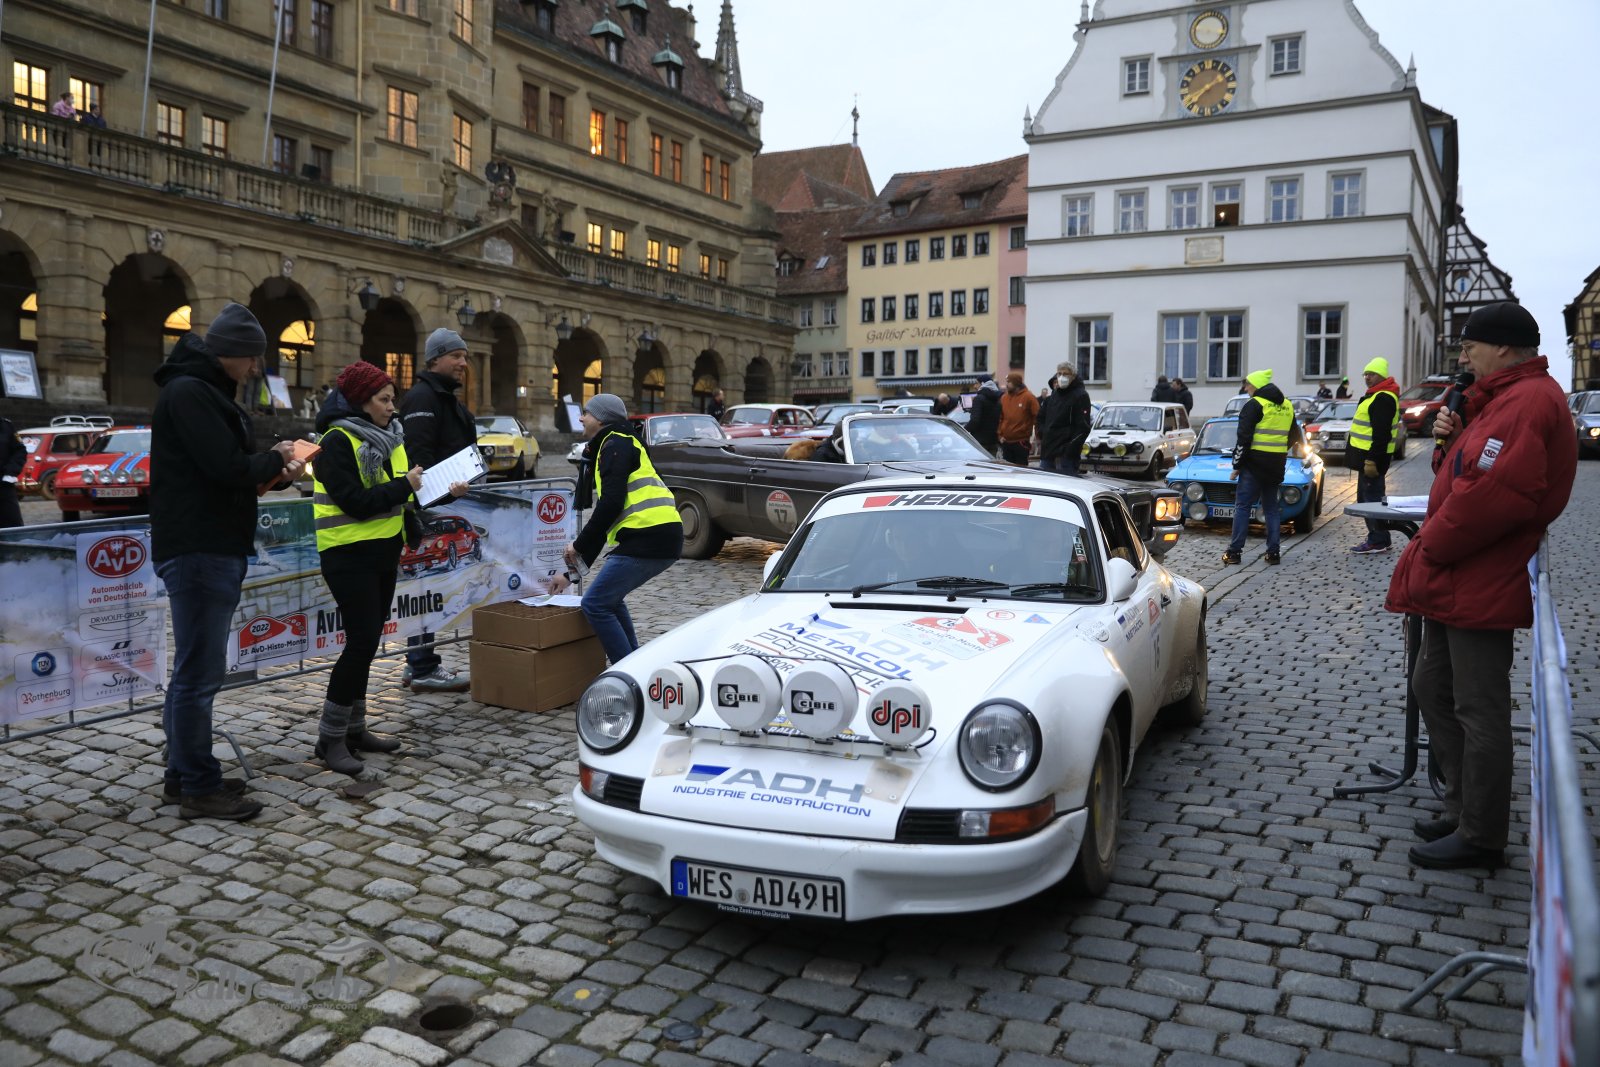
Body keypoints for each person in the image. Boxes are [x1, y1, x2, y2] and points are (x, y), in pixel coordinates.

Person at [1386, 302, 1576, 870]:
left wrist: (1431, 545)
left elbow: (1496, 497)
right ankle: (1461, 806)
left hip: (1479, 572)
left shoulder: (1528, 401)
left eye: (1470, 347)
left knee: (1477, 706)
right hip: (1463, 572)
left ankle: (1482, 834)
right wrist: (1454, 439)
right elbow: (1467, 474)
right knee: (1431, 685)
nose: (1463, 357)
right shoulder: (1502, 400)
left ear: (1502, 347)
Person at [150, 303, 305, 820]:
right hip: (200, 547)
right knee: (199, 674)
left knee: (194, 670)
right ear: (232, 353)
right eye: (252, 357)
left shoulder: (204, 391)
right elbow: (225, 467)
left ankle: (183, 776)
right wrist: (277, 459)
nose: (255, 367)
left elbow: (228, 470)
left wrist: (274, 468)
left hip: (209, 544)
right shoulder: (191, 392)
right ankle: (199, 786)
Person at [311, 361, 431, 776]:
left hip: (382, 552)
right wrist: (404, 486)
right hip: (347, 555)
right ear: (361, 401)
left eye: (392, 398)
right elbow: (356, 501)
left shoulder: (390, 436)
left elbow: (399, 496)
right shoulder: (336, 441)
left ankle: (355, 729)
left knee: (368, 641)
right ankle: (330, 738)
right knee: (360, 643)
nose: (392, 407)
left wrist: (421, 499)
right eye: (384, 399)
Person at [551, 394, 683, 665]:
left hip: (649, 537)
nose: (581, 417)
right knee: (610, 599)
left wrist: (577, 545)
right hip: (656, 536)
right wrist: (571, 574)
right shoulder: (620, 442)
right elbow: (606, 522)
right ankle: (634, 664)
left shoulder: (615, 444)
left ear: (601, 419)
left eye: (586, 413)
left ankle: (626, 674)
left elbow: (610, 505)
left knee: (595, 604)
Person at [397, 328, 475, 691]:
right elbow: (420, 460)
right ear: (435, 359)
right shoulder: (422, 397)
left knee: (430, 590)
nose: (463, 363)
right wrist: (445, 489)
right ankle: (422, 665)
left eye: (465, 356)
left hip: (449, 501)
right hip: (430, 509)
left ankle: (416, 663)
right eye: (456, 356)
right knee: (424, 589)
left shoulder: (443, 397)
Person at [1222, 368, 1302, 566]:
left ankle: (1234, 552)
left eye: (1248, 385)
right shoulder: (1287, 405)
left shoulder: (1254, 405)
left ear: (1256, 386)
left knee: (1242, 506)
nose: (1246, 389)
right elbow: (1295, 435)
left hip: (1253, 465)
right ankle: (1273, 553)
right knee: (1271, 508)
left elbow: (1243, 439)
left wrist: (1237, 465)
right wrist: (1279, 449)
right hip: (1276, 464)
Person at [1346, 357, 1401, 554]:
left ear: (1382, 376)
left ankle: (1377, 540)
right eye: (1365, 374)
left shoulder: (1383, 398)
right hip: (1367, 459)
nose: (1367, 378)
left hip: (1371, 460)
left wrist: (1372, 460)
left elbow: (1381, 434)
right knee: (1371, 499)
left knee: (1371, 501)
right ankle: (1382, 538)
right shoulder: (1377, 395)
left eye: (1371, 374)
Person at [1038, 360, 1092, 476]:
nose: (1061, 377)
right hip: (1048, 452)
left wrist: (1068, 449)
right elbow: (1042, 418)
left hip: (1065, 457)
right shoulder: (1054, 395)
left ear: (1073, 376)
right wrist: (1043, 433)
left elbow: (1083, 428)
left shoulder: (1080, 396)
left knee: (1064, 484)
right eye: (1059, 373)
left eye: (1065, 374)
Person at [997, 372, 1039, 466]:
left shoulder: (1029, 397)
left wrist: (1037, 437)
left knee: (1021, 469)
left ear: (1016, 383)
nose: (1006, 384)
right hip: (1006, 441)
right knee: (1008, 469)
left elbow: (1037, 417)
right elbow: (1000, 418)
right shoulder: (1004, 398)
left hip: (1021, 441)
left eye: (1009, 382)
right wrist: (1000, 435)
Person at [0, 413, 25, 529]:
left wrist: (10, 473)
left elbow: (20, 451)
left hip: (4, 485)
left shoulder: (6, 426)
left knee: (13, 527)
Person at [967, 373, 1001, 456]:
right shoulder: (998, 398)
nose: (974, 386)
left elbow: (975, 420)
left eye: (976, 383)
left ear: (982, 384)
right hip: (993, 440)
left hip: (980, 441)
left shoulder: (978, 399)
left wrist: (964, 430)